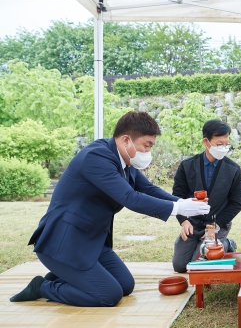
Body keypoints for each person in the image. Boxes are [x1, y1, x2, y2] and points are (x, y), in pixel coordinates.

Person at [10, 112, 210, 307]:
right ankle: (43, 287)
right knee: (108, 295)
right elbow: (130, 198)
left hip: (92, 241)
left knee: (125, 285)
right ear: (126, 140)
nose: (148, 152)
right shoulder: (96, 157)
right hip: (63, 244)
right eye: (146, 146)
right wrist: (178, 208)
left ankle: (66, 276)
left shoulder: (125, 161)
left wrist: (184, 203)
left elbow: (148, 189)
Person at [172, 119, 241, 273]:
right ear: (206, 142)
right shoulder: (187, 166)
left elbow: (236, 203)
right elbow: (177, 196)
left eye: (226, 144)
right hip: (192, 223)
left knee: (199, 264)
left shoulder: (233, 169)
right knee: (180, 266)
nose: (223, 148)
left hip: (217, 224)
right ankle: (205, 243)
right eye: (219, 144)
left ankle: (227, 243)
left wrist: (216, 225)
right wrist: (183, 221)